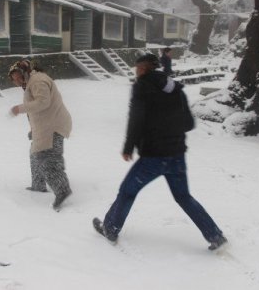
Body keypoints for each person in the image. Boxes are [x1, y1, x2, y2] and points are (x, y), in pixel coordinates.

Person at [93, 53, 227, 250]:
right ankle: (215, 235)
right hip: (177, 155)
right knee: (183, 197)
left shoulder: (142, 87)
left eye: (137, 68)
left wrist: (129, 147)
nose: (136, 72)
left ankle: (110, 228)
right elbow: (189, 123)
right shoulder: (175, 89)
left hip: (153, 157)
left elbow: (136, 119)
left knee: (127, 191)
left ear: (143, 68)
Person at [8, 59, 73, 210]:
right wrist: (33, 129)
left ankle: (62, 189)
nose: (17, 81)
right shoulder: (31, 81)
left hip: (54, 125)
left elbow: (43, 102)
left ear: (24, 71)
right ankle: (38, 185)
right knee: (36, 154)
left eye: (18, 76)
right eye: (14, 79)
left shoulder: (37, 81)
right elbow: (36, 110)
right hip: (46, 126)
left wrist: (20, 108)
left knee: (46, 157)